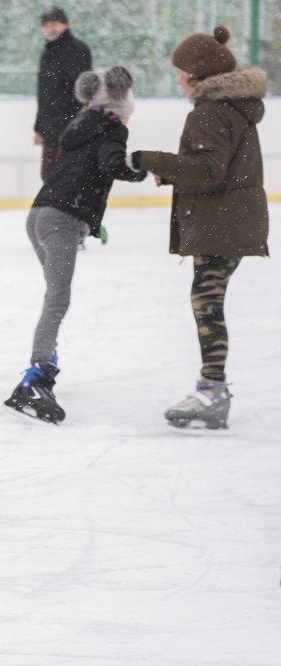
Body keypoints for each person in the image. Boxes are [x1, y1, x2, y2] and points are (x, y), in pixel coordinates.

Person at [131, 27, 269, 432]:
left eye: (179, 71)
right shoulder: (234, 107)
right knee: (207, 301)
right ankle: (213, 388)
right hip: (231, 219)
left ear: (197, 72)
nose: (176, 79)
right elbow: (218, 168)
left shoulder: (209, 111)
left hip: (223, 223)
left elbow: (208, 171)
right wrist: (174, 174)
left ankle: (212, 390)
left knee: (206, 302)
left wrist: (150, 159)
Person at [5, 66, 147, 424]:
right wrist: (143, 167)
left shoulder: (78, 125)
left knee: (54, 294)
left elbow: (81, 168)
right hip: (61, 221)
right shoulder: (112, 128)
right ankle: (37, 375)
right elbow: (112, 163)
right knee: (58, 299)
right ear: (122, 105)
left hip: (38, 215)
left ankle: (45, 362)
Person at [34, 6, 92, 182]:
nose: (50, 29)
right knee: (49, 175)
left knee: (69, 176)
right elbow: (44, 94)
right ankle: (54, 209)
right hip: (51, 128)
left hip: (72, 126)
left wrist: (80, 121)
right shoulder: (47, 54)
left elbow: (86, 90)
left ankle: (68, 209)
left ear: (65, 24)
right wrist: (39, 127)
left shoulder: (78, 49)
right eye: (46, 25)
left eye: (54, 24)